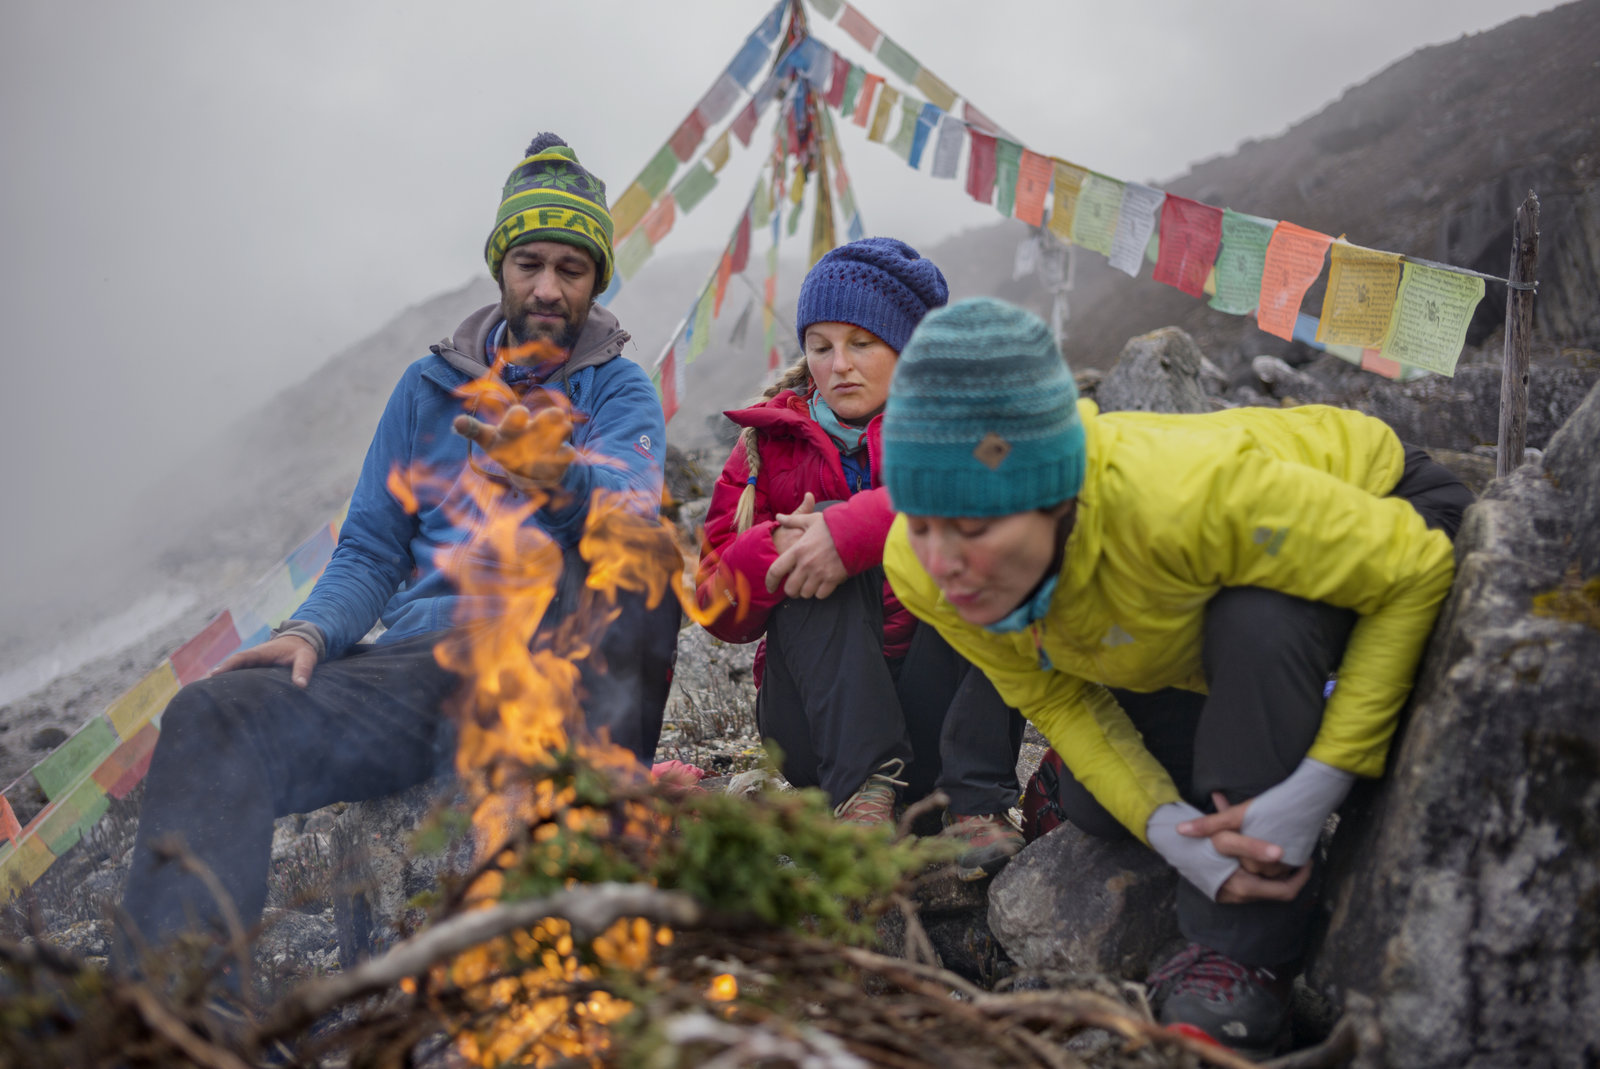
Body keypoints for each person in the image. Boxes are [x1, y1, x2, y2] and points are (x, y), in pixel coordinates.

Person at [120, 133, 680, 957]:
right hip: (428, 669)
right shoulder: (429, 388)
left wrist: (560, 481)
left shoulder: (619, 389)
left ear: (597, 280)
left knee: (648, 565)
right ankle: (184, 1006)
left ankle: (588, 826)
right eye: (529, 262)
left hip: (555, 663)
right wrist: (314, 630)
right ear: (499, 268)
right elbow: (373, 549)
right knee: (212, 713)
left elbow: (631, 530)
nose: (548, 287)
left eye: (571, 267)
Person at [878, 298, 1472, 1056]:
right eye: (923, 522)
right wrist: (1168, 829)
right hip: (1179, 622)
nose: (944, 562)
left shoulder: (1178, 501)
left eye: (975, 527)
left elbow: (1416, 567)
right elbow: (1052, 693)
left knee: (1260, 624)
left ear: (1058, 497)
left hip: (1379, 516)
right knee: (1103, 804)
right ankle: (1233, 753)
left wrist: (1316, 785)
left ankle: (1244, 955)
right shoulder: (918, 566)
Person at [695, 240, 1026, 879]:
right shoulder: (765, 446)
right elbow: (714, 606)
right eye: (820, 346)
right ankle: (863, 797)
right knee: (809, 550)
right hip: (820, 735)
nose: (839, 365)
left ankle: (975, 804)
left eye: (863, 343)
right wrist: (776, 548)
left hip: (943, 716)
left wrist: (855, 532)